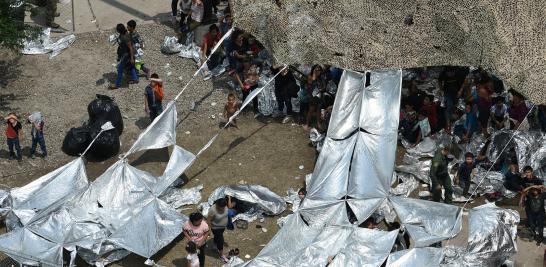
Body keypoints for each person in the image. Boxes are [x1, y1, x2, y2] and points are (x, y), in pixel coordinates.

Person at [109, 24, 138, 89]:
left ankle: (117, 84)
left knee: (120, 69)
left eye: (117, 29)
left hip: (127, 55)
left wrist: (132, 58)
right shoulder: (122, 34)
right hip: (124, 54)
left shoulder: (125, 37)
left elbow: (130, 48)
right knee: (131, 66)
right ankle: (135, 78)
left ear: (119, 30)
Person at [207, 198, 229, 263]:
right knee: (220, 240)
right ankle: (221, 255)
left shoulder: (225, 205)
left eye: (223, 207)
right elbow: (208, 220)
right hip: (216, 228)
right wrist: (209, 230)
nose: (222, 209)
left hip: (223, 227)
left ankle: (214, 245)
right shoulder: (212, 210)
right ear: (217, 205)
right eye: (220, 207)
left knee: (217, 237)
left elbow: (228, 210)